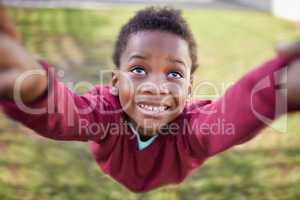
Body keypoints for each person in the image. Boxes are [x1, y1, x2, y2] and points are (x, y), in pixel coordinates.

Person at [0, 6, 300, 193]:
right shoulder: (106, 113)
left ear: (189, 89)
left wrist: (281, 85)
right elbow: (68, 115)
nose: (156, 87)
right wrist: (36, 87)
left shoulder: (191, 130)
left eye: (174, 74)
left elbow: (232, 115)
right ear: (115, 82)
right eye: (139, 69)